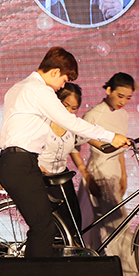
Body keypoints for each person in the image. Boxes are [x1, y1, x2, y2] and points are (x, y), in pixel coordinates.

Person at [0, 47, 129, 257]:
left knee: (46, 226)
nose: (63, 85)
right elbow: (70, 121)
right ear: (55, 72)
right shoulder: (40, 90)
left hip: (19, 161)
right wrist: (111, 136)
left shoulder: (19, 86)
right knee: (44, 227)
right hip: (20, 162)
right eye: (65, 79)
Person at [77, 72, 139, 276]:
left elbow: (120, 146)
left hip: (115, 175)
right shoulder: (92, 115)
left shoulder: (124, 115)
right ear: (108, 90)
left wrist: (125, 174)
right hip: (98, 174)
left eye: (128, 98)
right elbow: (75, 146)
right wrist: (86, 176)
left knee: (106, 232)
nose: (123, 101)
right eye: (120, 95)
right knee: (116, 231)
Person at [38, 82, 86, 234]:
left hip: (62, 179)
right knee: (50, 226)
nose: (69, 112)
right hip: (41, 177)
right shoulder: (41, 122)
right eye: (66, 106)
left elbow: (95, 138)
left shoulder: (72, 124)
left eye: (74, 108)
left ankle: (70, 256)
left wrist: (118, 141)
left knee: (73, 224)